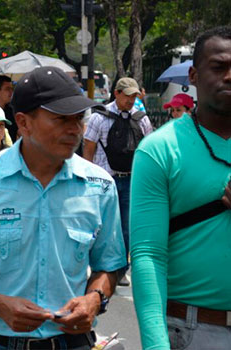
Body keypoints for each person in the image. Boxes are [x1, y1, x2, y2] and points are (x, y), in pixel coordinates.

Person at [0, 66, 126, 350]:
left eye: (78, 119)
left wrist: (94, 299)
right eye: (60, 119)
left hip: (74, 343)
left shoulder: (99, 185)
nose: (74, 129)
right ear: (23, 122)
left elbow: (108, 266)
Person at [131, 26, 231, 350]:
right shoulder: (159, 149)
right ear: (193, 75)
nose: (229, 76)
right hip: (193, 332)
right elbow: (148, 255)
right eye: (219, 67)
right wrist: (156, 345)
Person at [82, 77, 154, 287]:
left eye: (134, 96)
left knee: (126, 228)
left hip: (131, 179)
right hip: (104, 181)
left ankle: (120, 271)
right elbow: (89, 147)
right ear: (117, 94)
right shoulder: (99, 118)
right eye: (128, 95)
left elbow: (149, 149)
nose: (131, 100)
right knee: (99, 225)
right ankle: (97, 267)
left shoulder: (141, 119)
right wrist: (86, 176)